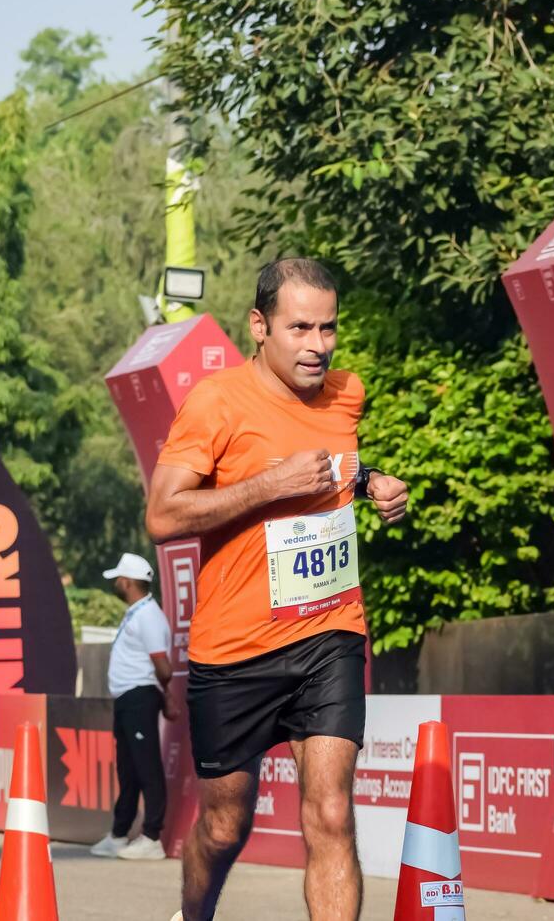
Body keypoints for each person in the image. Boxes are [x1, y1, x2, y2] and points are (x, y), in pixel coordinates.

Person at [146, 258, 409, 921]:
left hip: (329, 632)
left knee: (329, 812)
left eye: (328, 328)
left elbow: (333, 459)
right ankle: (194, 914)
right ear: (259, 326)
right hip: (233, 649)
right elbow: (163, 514)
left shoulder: (346, 391)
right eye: (300, 328)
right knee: (223, 827)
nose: (318, 345)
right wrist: (268, 486)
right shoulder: (216, 402)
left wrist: (369, 479)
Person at [90, 552, 176, 861]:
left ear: (127, 582)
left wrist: (165, 698)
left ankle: (152, 837)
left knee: (146, 766)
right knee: (128, 769)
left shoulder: (149, 615)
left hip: (140, 697)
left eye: (118, 579)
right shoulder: (137, 612)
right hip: (130, 698)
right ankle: (119, 834)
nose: (116, 583)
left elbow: (163, 667)